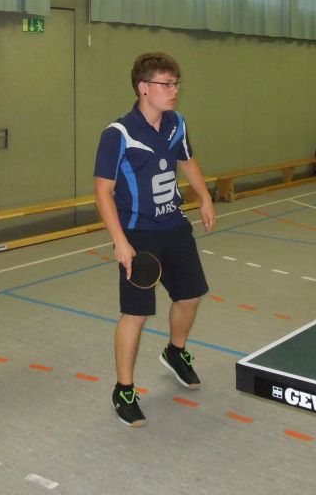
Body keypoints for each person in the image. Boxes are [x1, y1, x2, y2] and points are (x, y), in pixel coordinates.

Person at [93, 52, 216, 428]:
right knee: (136, 314)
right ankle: (124, 390)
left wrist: (204, 196)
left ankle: (175, 352)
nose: (174, 90)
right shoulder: (118, 134)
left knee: (190, 296)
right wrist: (119, 241)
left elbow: (187, 160)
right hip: (137, 233)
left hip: (174, 225)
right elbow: (103, 191)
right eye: (166, 84)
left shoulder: (177, 123)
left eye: (176, 83)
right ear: (143, 88)